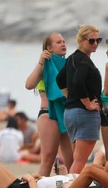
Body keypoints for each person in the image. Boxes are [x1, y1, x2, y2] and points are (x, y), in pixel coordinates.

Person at [25, 32, 74, 176]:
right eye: (59, 42)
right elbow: (29, 84)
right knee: (48, 158)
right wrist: (41, 62)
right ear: (49, 48)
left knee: (71, 159)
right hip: (48, 114)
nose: (63, 44)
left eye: (64, 41)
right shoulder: (45, 66)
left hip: (65, 114)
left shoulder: (68, 65)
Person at [56, 24, 103, 173]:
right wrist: (87, 103)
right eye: (91, 40)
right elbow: (77, 81)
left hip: (70, 112)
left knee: (77, 159)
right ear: (81, 41)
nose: (95, 43)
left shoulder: (72, 59)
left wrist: (70, 96)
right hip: (84, 113)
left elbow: (60, 79)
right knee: (80, 160)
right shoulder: (83, 61)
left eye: (98, 40)